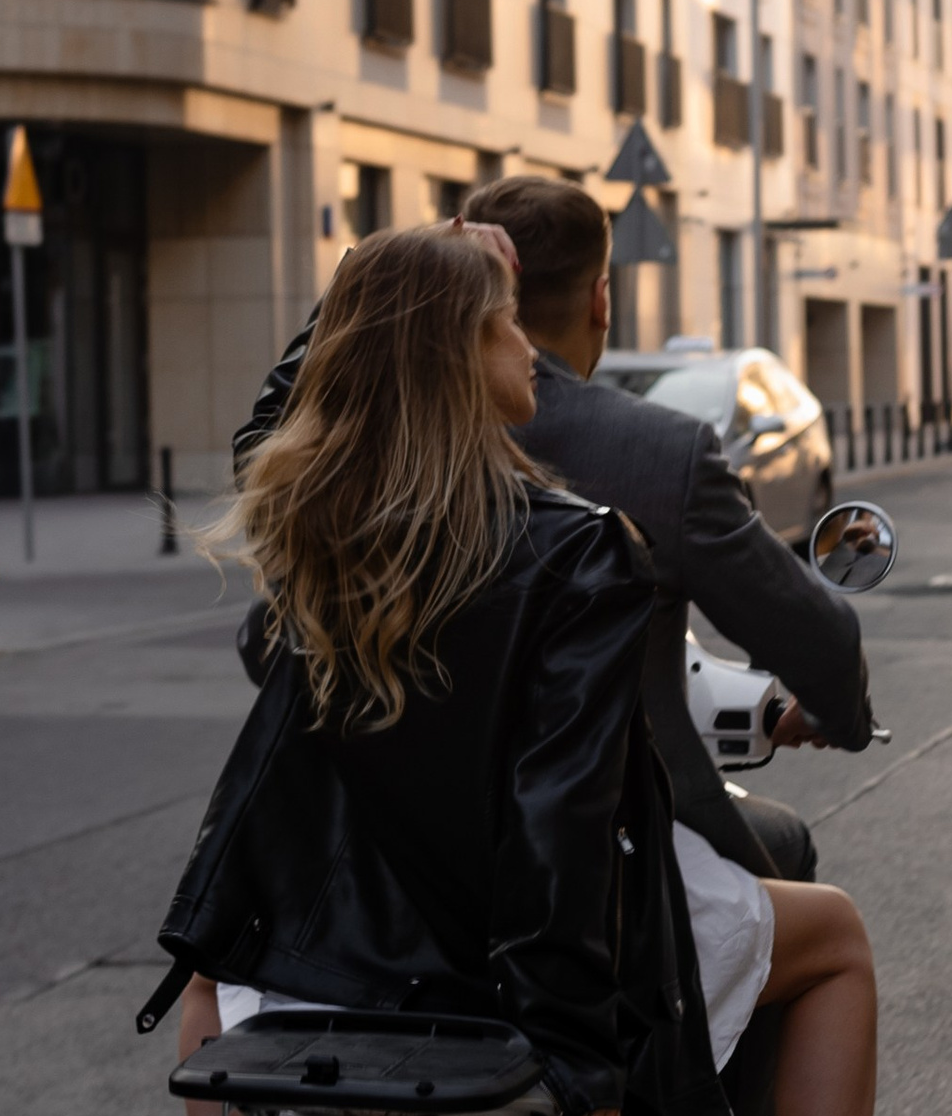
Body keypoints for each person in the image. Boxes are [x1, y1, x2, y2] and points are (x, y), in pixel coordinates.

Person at [164, 222, 873, 1116]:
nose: (526, 354)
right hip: (527, 961)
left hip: (351, 946)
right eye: (498, 327)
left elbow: (289, 404)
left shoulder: (315, 528)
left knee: (211, 1007)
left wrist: (387, 276)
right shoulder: (570, 544)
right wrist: (574, 1048)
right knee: (841, 940)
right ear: (453, 356)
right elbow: (559, 820)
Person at [234, 178, 875, 890]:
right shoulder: (650, 463)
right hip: (605, 853)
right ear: (600, 299)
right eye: (510, 332)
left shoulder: (350, 455)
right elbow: (815, 635)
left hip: (377, 847)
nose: (530, 357)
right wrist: (835, 712)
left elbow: (268, 442)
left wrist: (372, 283)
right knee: (824, 923)